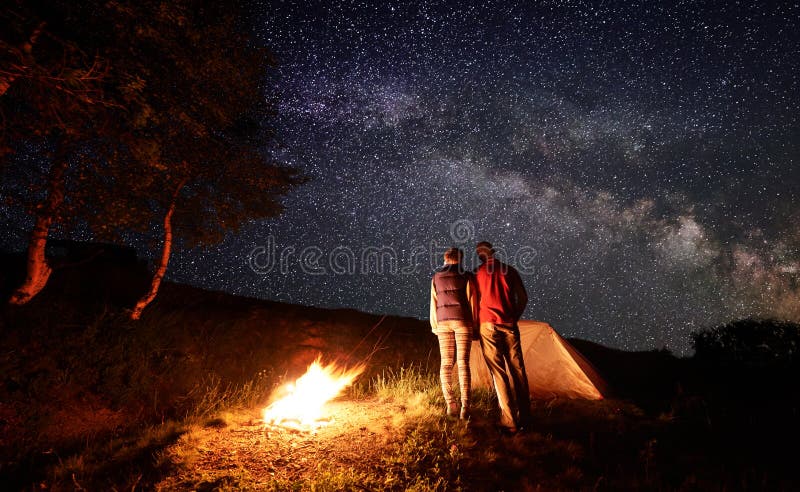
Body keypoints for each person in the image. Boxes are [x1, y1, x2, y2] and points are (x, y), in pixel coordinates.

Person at [474, 241, 531, 434]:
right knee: (518, 371)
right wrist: (513, 316)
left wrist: (475, 323)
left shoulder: (476, 273)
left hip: (487, 325)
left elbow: (473, 301)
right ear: (493, 253)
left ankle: (509, 421)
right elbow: (523, 298)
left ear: (480, 256)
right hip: (508, 323)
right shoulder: (510, 270)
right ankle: (525, 417)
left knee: (499, 372)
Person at [430, 247, 478, 419]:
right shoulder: (466, 276)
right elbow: (472, 301)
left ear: (445, 258)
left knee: (446, 363)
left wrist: (435, 325)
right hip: (462, 321)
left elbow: (433, 302)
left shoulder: (436, 277)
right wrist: (475, 325)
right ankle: (466, 407)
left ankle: (451, 404)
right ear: (460, 259)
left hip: (443, 323)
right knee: (463, 362)